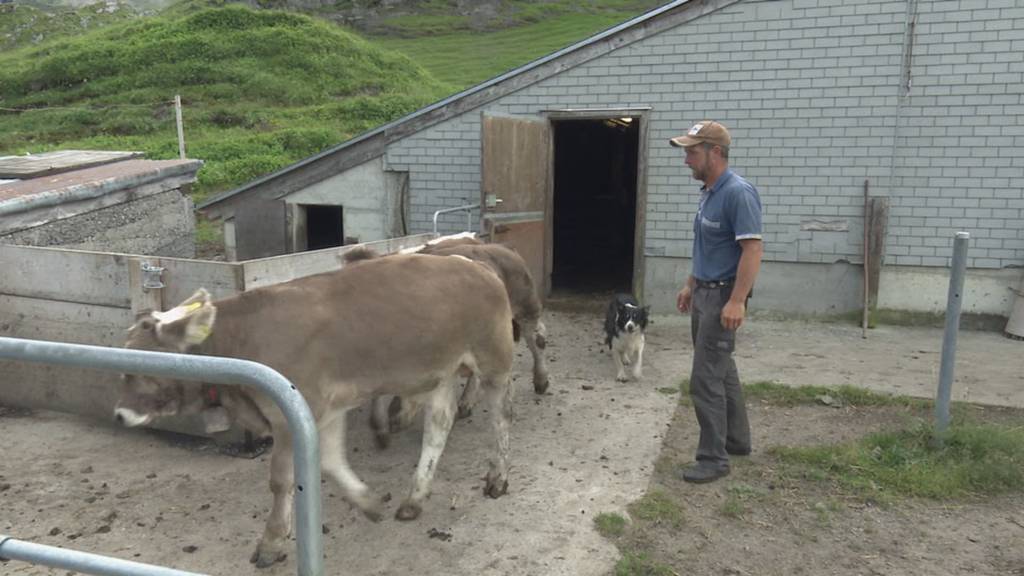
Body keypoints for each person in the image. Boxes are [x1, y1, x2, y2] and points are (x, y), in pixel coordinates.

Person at [670, 120, 764, 484]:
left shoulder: (738, 192)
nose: (686, 160)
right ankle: (737, 441)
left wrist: (737, 300)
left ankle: (713, 459)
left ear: (716, 152)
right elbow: (710, 246)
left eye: (692, 152)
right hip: (705, 292)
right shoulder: (709, 191)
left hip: (724, 295)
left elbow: (752, 250)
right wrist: (691, 283)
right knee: (721, 369)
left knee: (705, 378)